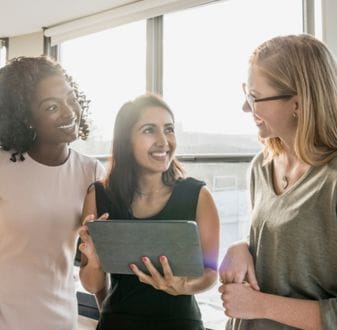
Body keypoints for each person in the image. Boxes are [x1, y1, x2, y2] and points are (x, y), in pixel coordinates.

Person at [218, 34, 337, 330]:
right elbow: (284, 245)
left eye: (255, 97)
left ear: (297, 102)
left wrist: (262, 306)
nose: (246, 108)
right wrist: (242, 247)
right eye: (247, 93)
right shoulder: (261, 166)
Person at [79, 93, 220, 330]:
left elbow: (211, 273)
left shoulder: (198, 196)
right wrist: (93, 261)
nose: (163, 141)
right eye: (149, 130)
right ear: (126, 140)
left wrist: (182, 286)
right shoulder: (99, 195)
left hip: (180, 324)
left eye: (168, 129)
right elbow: (93, 285)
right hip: (118, 323)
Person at [0, 56, 105, 330]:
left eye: (71, 100)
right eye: (51, 107)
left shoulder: (90, 172)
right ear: (26, 117)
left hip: (60, 316)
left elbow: (99, 262)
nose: (69, 113)